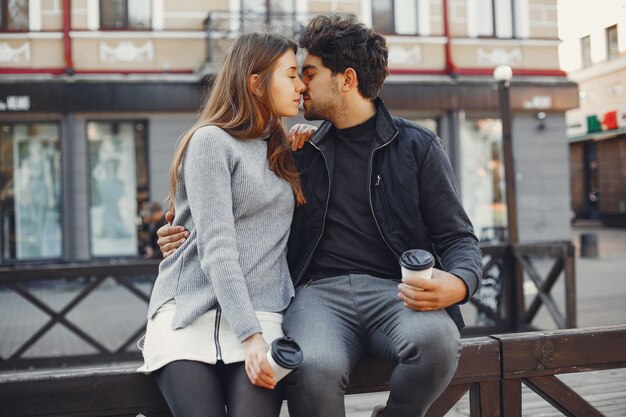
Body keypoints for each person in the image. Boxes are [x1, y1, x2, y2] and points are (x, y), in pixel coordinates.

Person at [158, 14, 482, 417]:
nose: (300, 85)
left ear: (346, 80)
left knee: (439, 341)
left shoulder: (417, 146)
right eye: (294, 75)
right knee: (311, 365)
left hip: (395, 293)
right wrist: (180, 232)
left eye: (307, 73)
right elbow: (234, 211)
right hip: (315, 295)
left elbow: (458, 237)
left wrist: (461, 283)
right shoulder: (295, 152)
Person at [137, 32, 307, 417]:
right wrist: (250, 337)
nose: (301, 86)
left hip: (263, 314)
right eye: (292, 74)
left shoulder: (285, 150)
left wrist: (314, 146)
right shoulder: (212, 141)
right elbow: (217, 246)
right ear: (255, 83)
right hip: (190, 314)